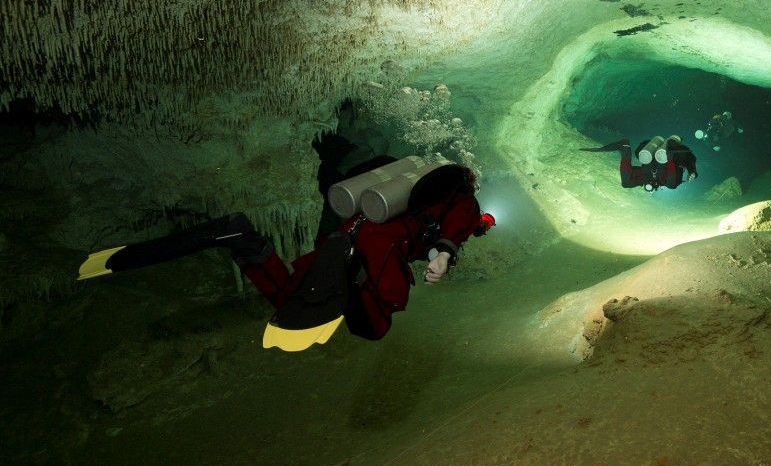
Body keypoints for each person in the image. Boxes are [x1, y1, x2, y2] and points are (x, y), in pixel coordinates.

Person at [77, 158, 495, 351]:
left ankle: (246, 242)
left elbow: (468, 226)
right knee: (374, 327)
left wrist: (474, 231)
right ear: (471, 184)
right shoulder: (461, 200)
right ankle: (349, 275)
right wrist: (443, 254)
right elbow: (460, 225)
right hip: (377, 246)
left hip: (352, 228)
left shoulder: (418, 182)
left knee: (294, 299)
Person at [580, 135, 698, 191]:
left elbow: (640, 151)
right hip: (664, 170)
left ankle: (625, 149)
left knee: (626, 183)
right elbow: (690, 159)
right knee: (672, 185)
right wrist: (692, 171)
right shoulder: (681, 149)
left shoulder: (677, 149)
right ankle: (669, 157)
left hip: (648, 170)